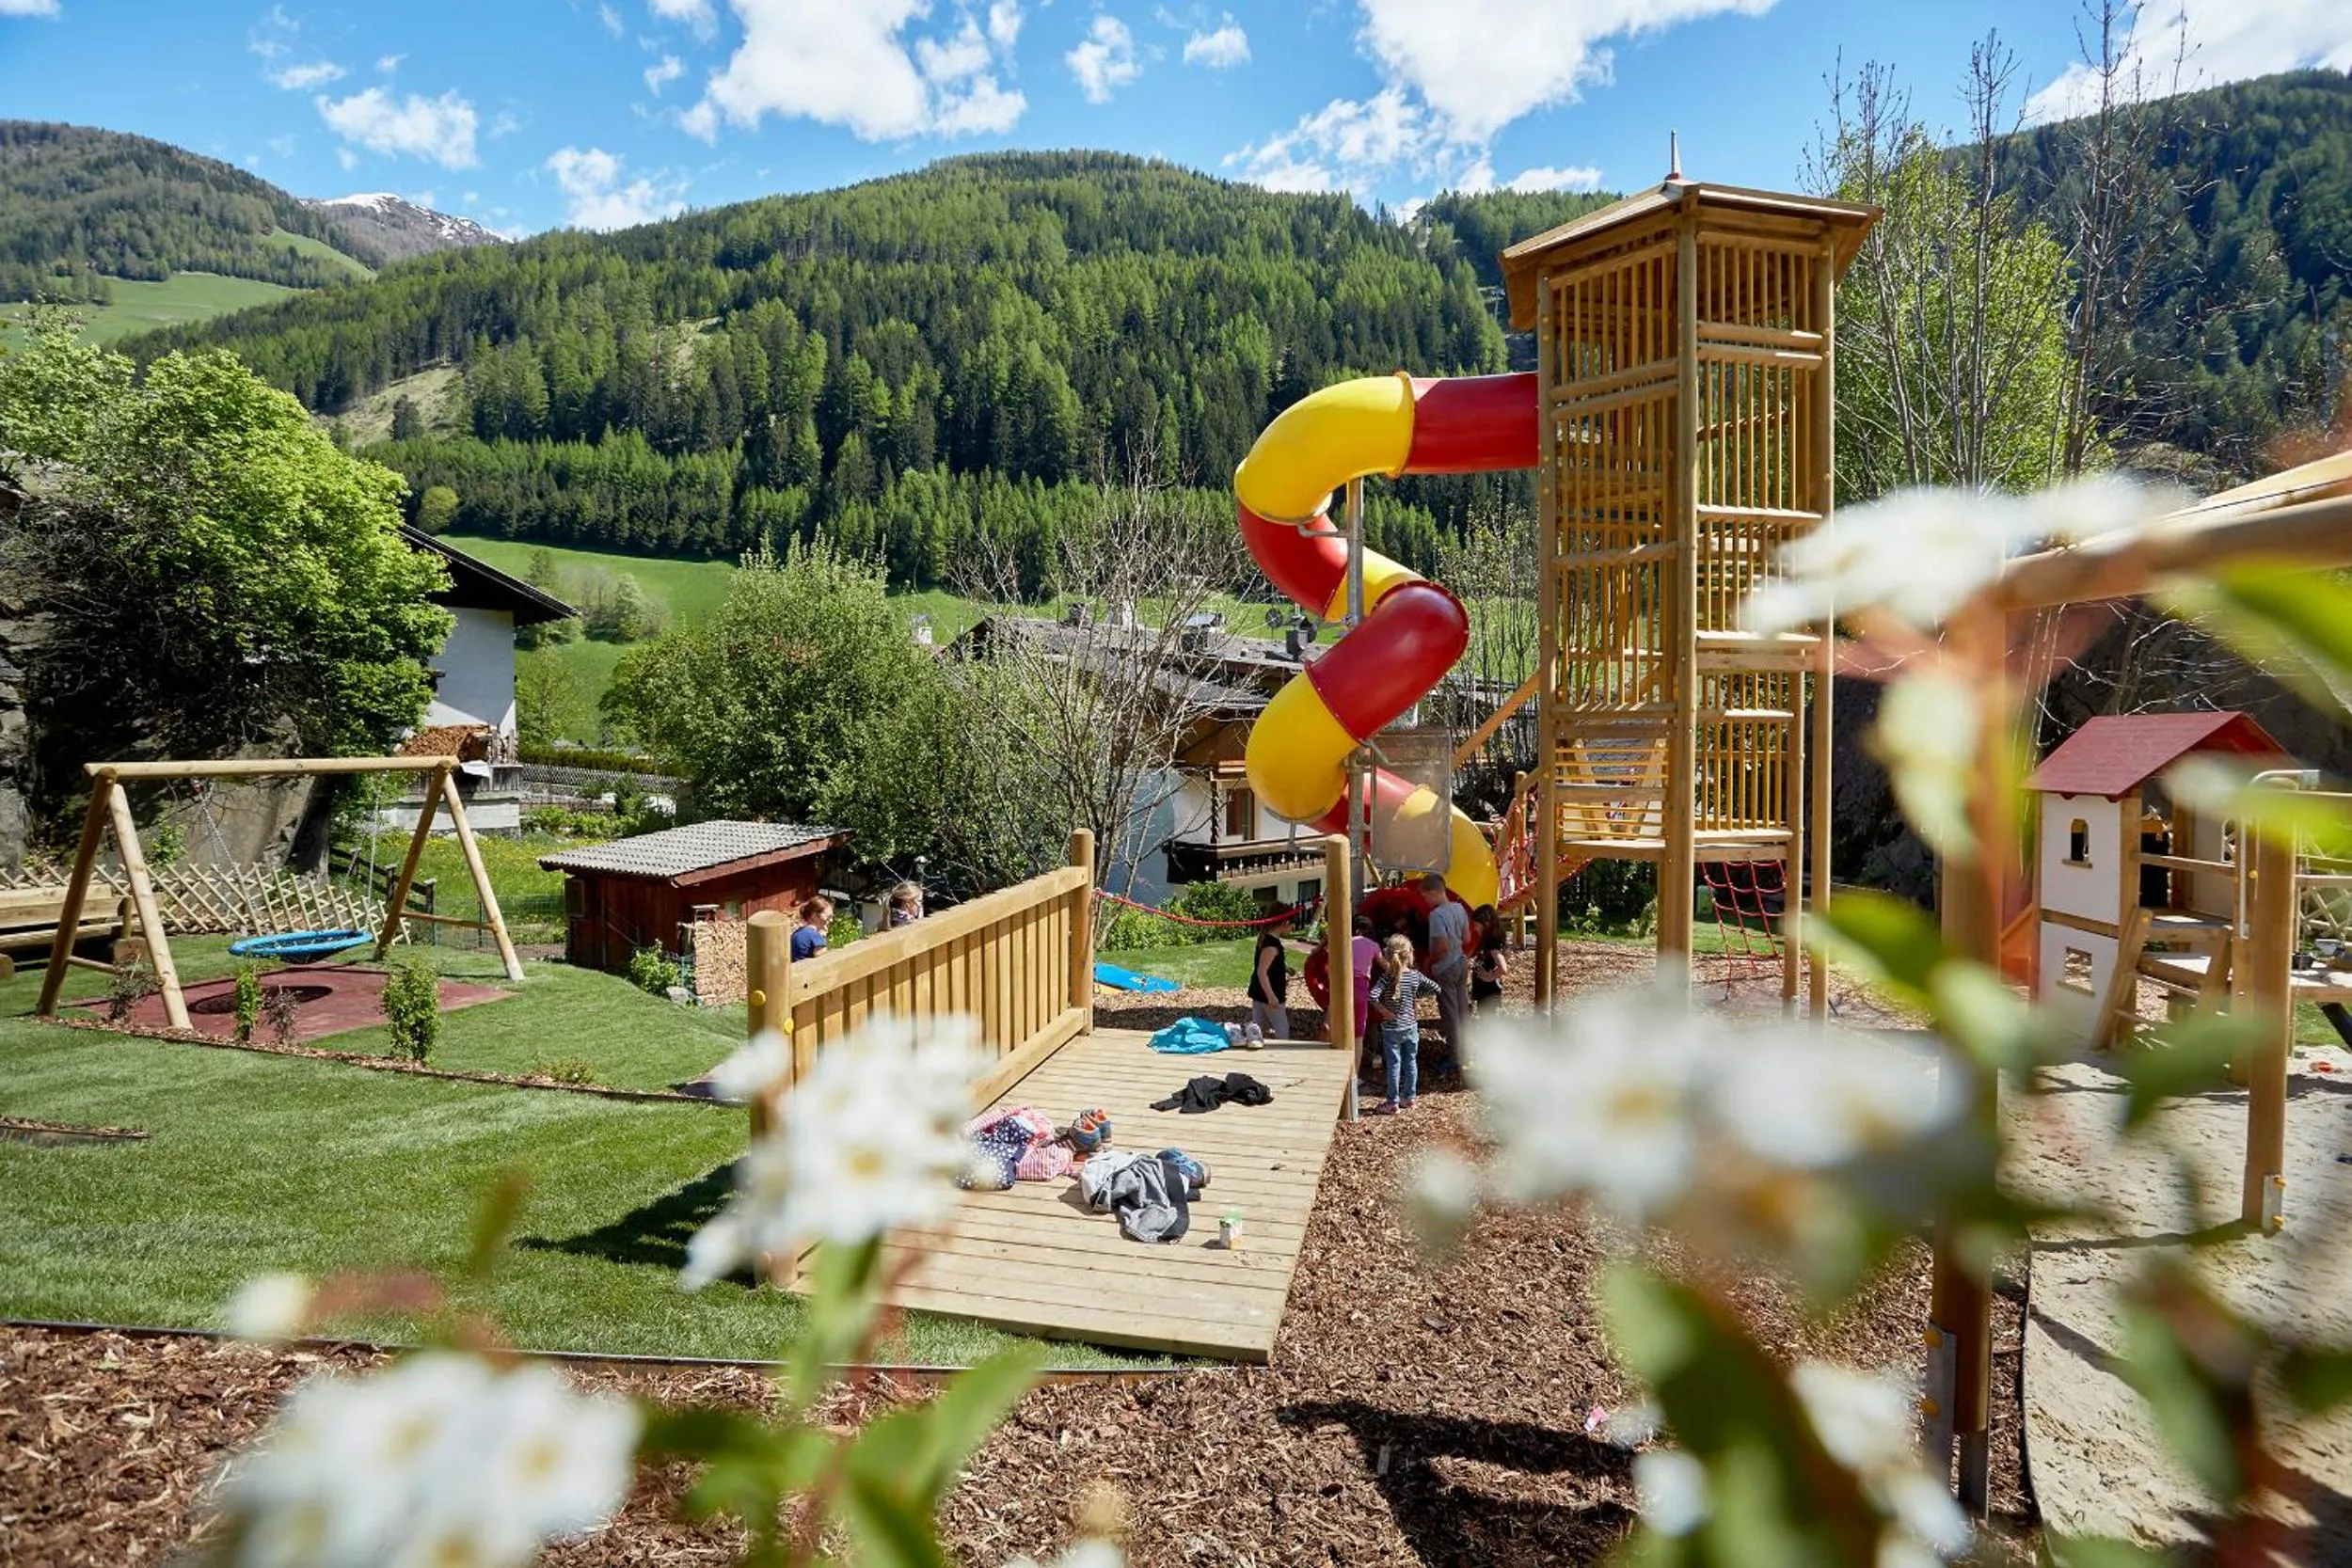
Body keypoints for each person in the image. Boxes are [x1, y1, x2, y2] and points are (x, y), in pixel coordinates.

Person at [1368, 933, 1438, 1114]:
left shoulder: (1387, 977)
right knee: (1411, 1062)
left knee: (1393, 1064)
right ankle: (1409, 1098)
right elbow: (1436, 988)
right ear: (1409, 954)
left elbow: (1373, 996)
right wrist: (1416, 995)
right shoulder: (1415, 976)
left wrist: (1385, 1012)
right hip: (1410, 1026)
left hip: (1392, 1028)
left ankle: (1392, 1102)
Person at [1421, 872, 1470, 1053]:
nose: (1424, 900)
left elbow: (1441, 947)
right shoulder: (1459, 908)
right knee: (1462, 1008)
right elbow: (1467, 938)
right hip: (1461, 963)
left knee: (1449, 1012)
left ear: (1433, 892)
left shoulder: (1437, 915)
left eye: (1425, 896)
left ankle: (1455, 1054)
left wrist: (1428, 960)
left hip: (1446, 967)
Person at [1248, 913, 1292, 1042]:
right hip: (1269, 993)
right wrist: (1271, 996)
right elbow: (1262, 971)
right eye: (1292, 923)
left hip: (1259, 991)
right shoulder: (1272, 945)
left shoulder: (1266, 938)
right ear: (1285, 922)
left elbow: (1267, 963)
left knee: (1258, 1029)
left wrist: (1285, 968)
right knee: (1282, 1031)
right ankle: (1281, 1057)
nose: (1293, 927)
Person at [1470, 904, 1509, 1015]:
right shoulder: (1491, 939)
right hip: (1487, 988)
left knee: (1487, 1017)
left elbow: (1503, 968)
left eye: (1477, 925)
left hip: (1488, 989)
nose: (1475, 929)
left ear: (1486, 924)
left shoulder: (1492, 942)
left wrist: (1489, 977)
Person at [790, 895, 833, 961]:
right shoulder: (814, 935)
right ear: (814, 916)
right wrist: (823, 937)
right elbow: (822, 958)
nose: (831, 920)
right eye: (828, 917)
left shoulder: (798, 932)